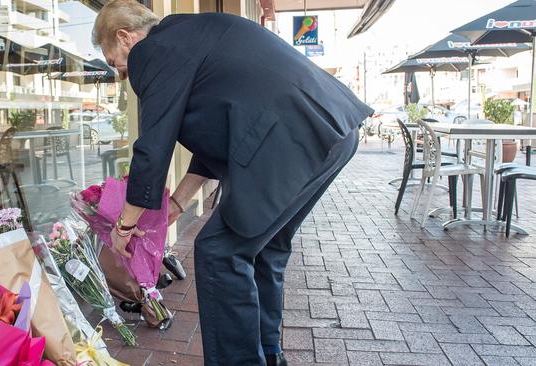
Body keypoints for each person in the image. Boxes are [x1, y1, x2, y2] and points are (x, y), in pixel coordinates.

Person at [92, 1, 373, 365]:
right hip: (331, 130)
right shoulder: (191, 35)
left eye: (115, 63)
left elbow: (153, 146)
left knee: (218, 251)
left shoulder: (151, 51)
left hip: (295, 139)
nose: (122, 75)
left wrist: (124, 226)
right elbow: (211, 134)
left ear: (125, 38)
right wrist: (177, 204)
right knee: (265, 248)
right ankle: (270, 354)